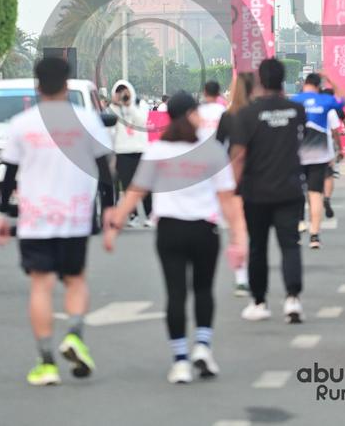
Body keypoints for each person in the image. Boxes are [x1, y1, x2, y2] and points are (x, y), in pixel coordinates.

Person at [103, 91, 246, 384]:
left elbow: (135, 192)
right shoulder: (212, 151)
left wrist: (115, 225)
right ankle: (203, 347)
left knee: (176, 293)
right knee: (203, 290)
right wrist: (239, 237)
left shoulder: (157, 151)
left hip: (169, 230)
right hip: (204, 230)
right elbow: (228, 200)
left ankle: (180, 360)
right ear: (192, 114)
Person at [0, 57, 112, 386]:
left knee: (41, 286)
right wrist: (110, 209)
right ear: (67, 84)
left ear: (37, 85)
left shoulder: (22, 124)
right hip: (75, 217)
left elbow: (9, 175)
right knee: (75, 280)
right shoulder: (87, 120)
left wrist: (2, 213)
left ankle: (46, 363)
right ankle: (75, 336)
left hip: (36, 218)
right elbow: (105, 170)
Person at [229, 58, 306, 323]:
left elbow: (239, 156)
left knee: (258, 247)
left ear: (260, 81)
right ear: (283, 79)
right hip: (290, 188)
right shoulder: (296, 110)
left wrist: (232, 189)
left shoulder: (247, 114)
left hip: (256, 191)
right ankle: (293, 299)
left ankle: (259, 302)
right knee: (290, 244)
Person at [290, 72, 345, 249]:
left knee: (297, 193)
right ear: (318, 86)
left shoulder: (294, 101)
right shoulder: (324, 100)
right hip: (319, 155)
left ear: (304, 84)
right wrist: (331, 79)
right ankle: (314, 235)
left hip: (297, 154)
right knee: (315, 195)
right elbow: (342, 100)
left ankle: (298, 226)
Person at [216, 72, 255, 296]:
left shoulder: (228, 116)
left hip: (234, 176)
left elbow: (218, 147)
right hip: (259, 174)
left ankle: (241, 277)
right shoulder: (258, 113)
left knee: (238, 229)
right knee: (255, 229)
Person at [110, 80, 151, 227]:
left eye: (125, 91)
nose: (122, 94)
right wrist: (116, 105)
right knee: (128, 186)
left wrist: (129, 105)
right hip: (122, 151)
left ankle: (148, 214)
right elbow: (111, 130)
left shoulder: (140, 105)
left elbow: (141, 122)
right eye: (119, 92)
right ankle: (132, 215)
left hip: (140, 150)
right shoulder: (112, 109)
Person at [321, 88, 345, 220]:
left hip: (309, 146)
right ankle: (327, 197)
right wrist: (340, 148)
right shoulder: (330, 110)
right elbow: (336, 131)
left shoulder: (308, 107)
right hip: (327, 144)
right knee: (328, 175)